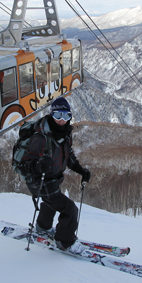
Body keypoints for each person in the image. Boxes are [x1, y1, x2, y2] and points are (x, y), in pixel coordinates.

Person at [17, 97, 91, 254]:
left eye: (66, 116)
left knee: (51, 202)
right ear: (51, 115)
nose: (62, 121)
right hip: (39, 181)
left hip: (53, 179)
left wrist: (80, 170)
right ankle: (65, 242)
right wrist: (38, 165)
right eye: (58, 116)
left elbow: (68, 155)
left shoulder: (65, 134)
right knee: (70, 209)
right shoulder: (40, 137)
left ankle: (42, 228)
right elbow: (24, 166)